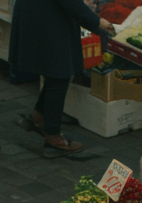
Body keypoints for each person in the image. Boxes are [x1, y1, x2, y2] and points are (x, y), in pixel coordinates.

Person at [9, 0, 113, 157]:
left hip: (40, 13)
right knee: (59, 72)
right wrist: (96, 21)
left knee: (56, 71)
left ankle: (40, 116)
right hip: (48, 18)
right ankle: (53, 138)